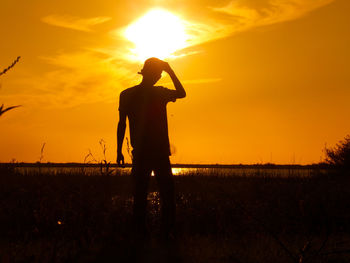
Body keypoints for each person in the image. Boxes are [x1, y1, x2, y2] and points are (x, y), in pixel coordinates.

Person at [116, 57, 186, 239]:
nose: (159, 77)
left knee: (150, 195)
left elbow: (182, 94)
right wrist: (170, 70)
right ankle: (153, 233)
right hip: (150, 152)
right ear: (151, 74)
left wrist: (119, 151)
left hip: (151, 152)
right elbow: (121, 124)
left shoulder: (130, 94)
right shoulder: (151, 94)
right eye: (158, 73)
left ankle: (157, 233)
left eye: (160, 74)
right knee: (156, 195)